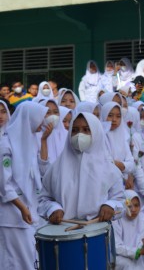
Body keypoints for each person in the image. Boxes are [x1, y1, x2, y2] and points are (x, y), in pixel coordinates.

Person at [39, 112, 125, 223]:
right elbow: (44, 199)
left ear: (96, 133)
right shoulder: (55, 169)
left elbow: (120, 201)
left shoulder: (110, 171)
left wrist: (110, 205)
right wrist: (53, 209)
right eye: (74, 130)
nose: (79, 135)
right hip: (63, 230)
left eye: (86, 130)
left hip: (98, 230)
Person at [0, 102, 48, 269]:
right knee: (16, 263)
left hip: (26, 213)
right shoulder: (5, 144)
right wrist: (21, 207)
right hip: (11, 216)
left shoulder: (29, 141)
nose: (43, 123)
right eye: (40, 118)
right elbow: (4, 184)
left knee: (28, 262)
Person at [113, 190, 144, 269]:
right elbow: (116, 247)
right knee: (127, 264)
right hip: (122, 257)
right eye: (129, 206)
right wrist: (138, 251)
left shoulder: (141, 217)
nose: (133, 210)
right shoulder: (116, 220)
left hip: (139, 254)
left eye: (136, 205)